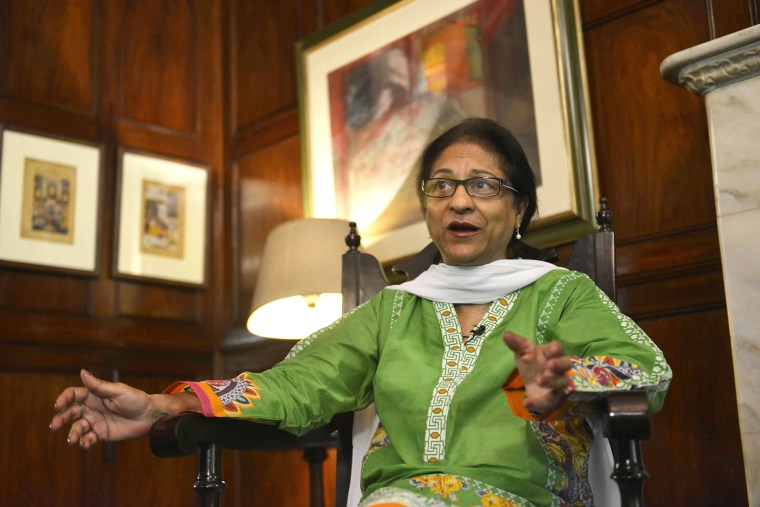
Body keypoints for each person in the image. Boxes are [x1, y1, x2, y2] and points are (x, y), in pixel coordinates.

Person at [51, 118, 671, 507]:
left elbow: (648, 370)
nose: (458, 199)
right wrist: (165, 404)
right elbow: (296, 386)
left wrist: (557, 385)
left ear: (519, 211)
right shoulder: (395, 310)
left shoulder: (560, 293)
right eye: (440, 185)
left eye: (483, 185)